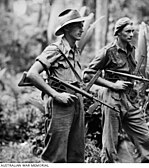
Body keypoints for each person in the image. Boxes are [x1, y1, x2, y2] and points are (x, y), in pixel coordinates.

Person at [83, 17, 149, 163]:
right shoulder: (107, 52)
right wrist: (112, 85)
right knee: (110, 142)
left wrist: (138, 81)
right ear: (118, 32)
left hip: (129, 99)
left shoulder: (131, 49)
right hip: (112, 98)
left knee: (145, 138)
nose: (131, 35)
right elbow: (87, 74)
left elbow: (132, 72)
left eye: (132, 31)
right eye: (127, 32)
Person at [26, 9, 86, 163]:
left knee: (76, 153)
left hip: (76, 101)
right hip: (61, 104)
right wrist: (55, 95)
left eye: (82, 24)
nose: (82, 28)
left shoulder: (75, 50)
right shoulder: (55, 49)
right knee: (56, 154)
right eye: (77, 25)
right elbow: (32, 74)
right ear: (66, 28)